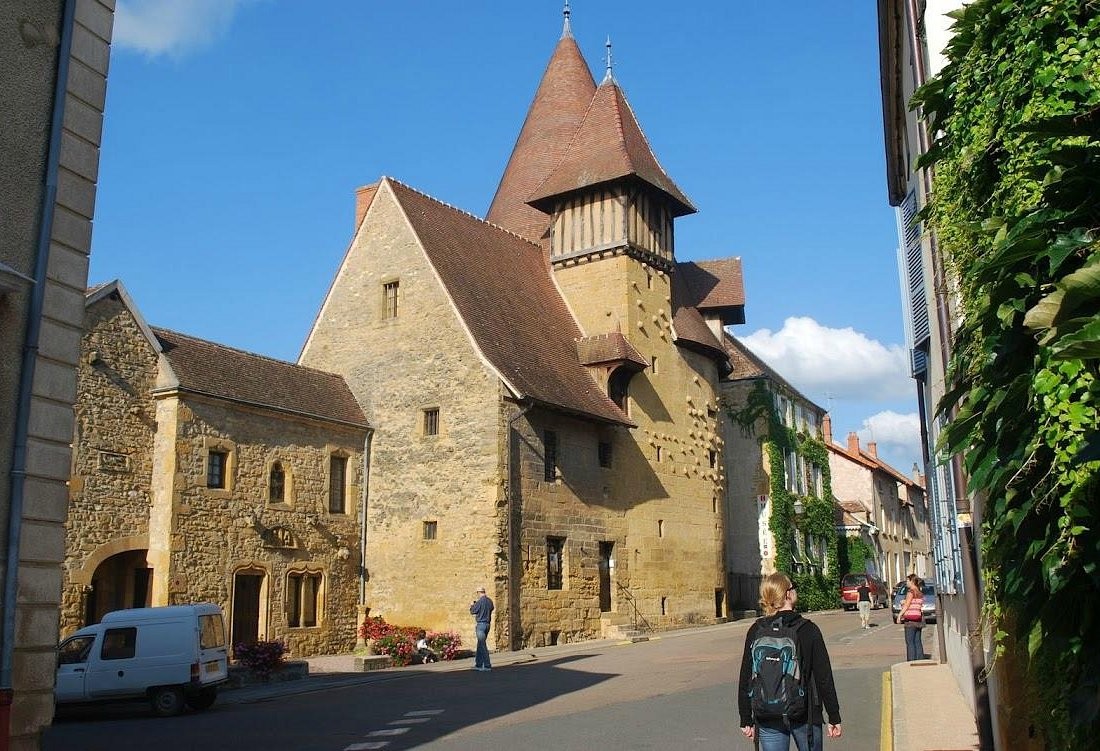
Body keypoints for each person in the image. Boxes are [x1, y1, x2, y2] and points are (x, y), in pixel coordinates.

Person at [738, 573, 843, 750]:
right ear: (787, 594)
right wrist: (834, 716)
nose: (795, 590)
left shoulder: (757, 629)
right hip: (805, 713)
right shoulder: (808, 629)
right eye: (793, 587)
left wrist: (745, 717)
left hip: (767, 712)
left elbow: (746, 676)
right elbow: (823, 677)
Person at [895, 574, 925, 661]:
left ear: (912, 582)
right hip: (919, 618)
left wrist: (900, 615)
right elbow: (916, 602)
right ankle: (920, 659)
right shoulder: (919, 592)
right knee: (917, 641)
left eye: (907, 581)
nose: (906, 582)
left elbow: (907, 605)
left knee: (910, 642)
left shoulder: (911, 592)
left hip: (910, 619)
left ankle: (911, 660)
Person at [469, 585, 494, 672]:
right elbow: (492, 608)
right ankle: (478, 664)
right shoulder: (490, 601)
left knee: (482, 645)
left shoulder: (479, 602)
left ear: (479, 593)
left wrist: (472, 605)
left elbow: (473, 611)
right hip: (487, 624)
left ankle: (487, 665)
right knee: (480, 644)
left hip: (481, 625)